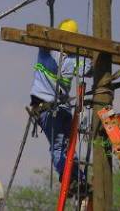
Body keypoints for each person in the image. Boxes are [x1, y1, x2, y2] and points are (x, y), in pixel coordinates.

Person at [30, 18, 90, 188]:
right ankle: (78, 178)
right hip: (64, 110)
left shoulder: (46, 53)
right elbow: (89, 70)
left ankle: (70, 177)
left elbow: (42, 39)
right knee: (68, 148)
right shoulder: (74, 59)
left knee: (58, 148)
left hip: (48, 109)